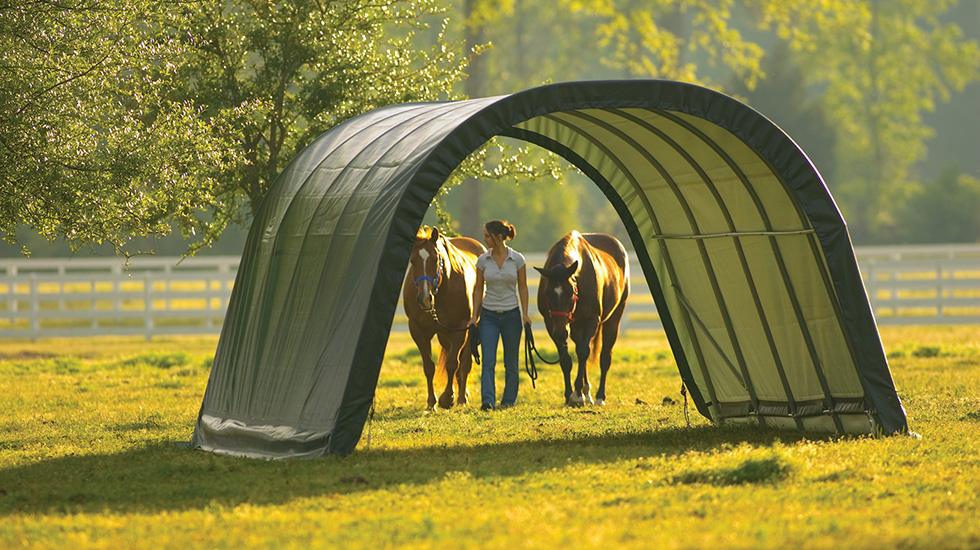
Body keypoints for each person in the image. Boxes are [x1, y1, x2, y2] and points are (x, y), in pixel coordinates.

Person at [467, 220, 532, 411]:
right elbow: (478, 289)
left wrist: (525, 314)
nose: (484, 239)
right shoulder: (482, 260)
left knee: (511, 363)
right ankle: (487, 400)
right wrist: (474, 316)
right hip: (488, 317)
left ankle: (508, 401)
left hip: (512, 315)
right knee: (488, 361)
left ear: (498, 237)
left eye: (487, 235)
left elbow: (523, 287)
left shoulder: (517, 259)